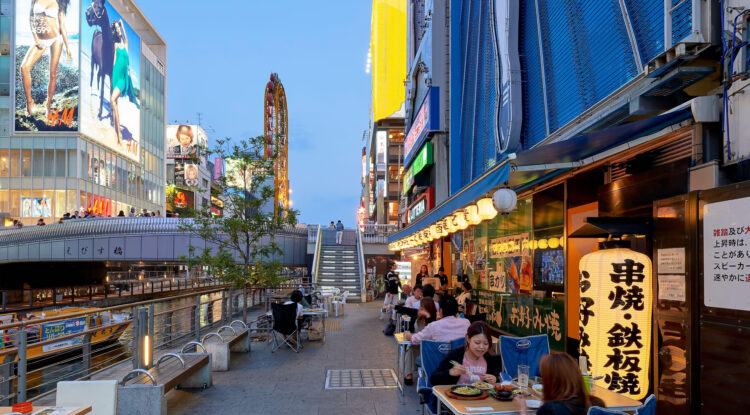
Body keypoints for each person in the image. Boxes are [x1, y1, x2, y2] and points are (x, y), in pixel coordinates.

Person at [20, 0, 73, 119]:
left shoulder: (59, 2)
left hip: (56, 39)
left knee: (53, 74)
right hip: (41, 40)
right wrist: (36, 39)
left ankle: (48, 105)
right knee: (24, 67)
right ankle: (29, 101)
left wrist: (68, 47)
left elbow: (62, 25)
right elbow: (31, 20)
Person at [513, 352, 605, 415]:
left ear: (552, 381)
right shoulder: (597, 404)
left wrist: (522, 409)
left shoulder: (551, 409)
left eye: (544, 377)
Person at [430, 321, 502, 386]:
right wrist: (450, 372)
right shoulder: (456, 355)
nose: (481, 347)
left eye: (486, 344)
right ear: (468, 339)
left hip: (481, 396)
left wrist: (495, 379)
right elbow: (433, 379)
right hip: (457, 395)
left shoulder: (487, 358)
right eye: (477, 343)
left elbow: (494, 380)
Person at [110, 19, 139, 145]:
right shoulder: (115, 45)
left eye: (119, 29)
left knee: (112, 100)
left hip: (123, 79)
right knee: (114, 103)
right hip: (116, 76)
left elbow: (126, 37)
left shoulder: (126, 45)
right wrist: (112, 79)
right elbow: (114, 62)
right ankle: (117, 133)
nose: (118, 31)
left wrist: (121, 25)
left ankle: (120, 134)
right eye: (116, 29)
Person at [404, 295, 468, 345]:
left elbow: (415, 339)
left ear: (441, 311)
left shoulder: (434, 326)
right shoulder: (466, 323)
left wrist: (408, 335)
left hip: (438, 357)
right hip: (460, 357)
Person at [403, 296, 438, 385]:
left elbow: (431, 332)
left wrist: (428, 317)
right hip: (417, 344)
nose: (420, 309)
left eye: (423, 308)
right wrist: (408, 333)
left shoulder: (434, 320)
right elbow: (411, 331)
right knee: (410, 349)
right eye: (420, 307)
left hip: (430, 348)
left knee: (412, 349)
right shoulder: (416, 318)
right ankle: (408, 374)